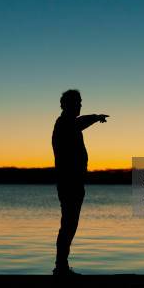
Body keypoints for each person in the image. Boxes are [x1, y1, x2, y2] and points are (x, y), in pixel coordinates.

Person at [52, 89, 108, 275]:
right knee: (68, 223)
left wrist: (95, 117)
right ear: (66, 105)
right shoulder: (64, 124)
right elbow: (79, 122)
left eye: (80, 102)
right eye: (77, 102)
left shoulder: (68, 123)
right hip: (69, 183)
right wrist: (95, 117)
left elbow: (80, 123)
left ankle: (62, 266)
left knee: (70, 223)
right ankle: (61, 267)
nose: (80, 105)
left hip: (74, 182)